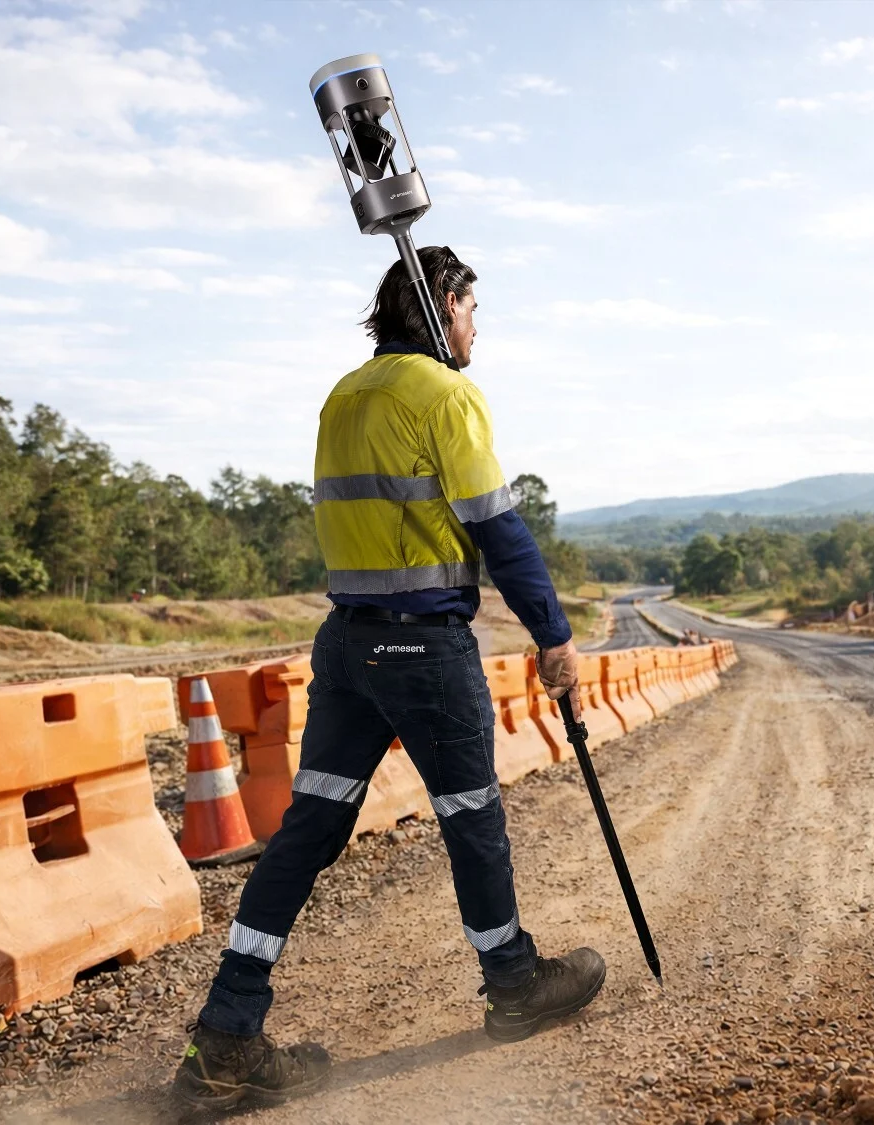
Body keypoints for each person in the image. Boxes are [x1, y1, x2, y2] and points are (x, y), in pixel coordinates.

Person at [174, 247, 606, 1111]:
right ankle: (513, 986)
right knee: (473, 818)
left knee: (307, 834)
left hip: (346, 649)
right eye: (472, 308)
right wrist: (553, 634)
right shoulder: (446, 394)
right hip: (424, 651)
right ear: (443, 304)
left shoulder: (345, 395)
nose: (476, 326)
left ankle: (225, 1034)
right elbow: (499, 530)